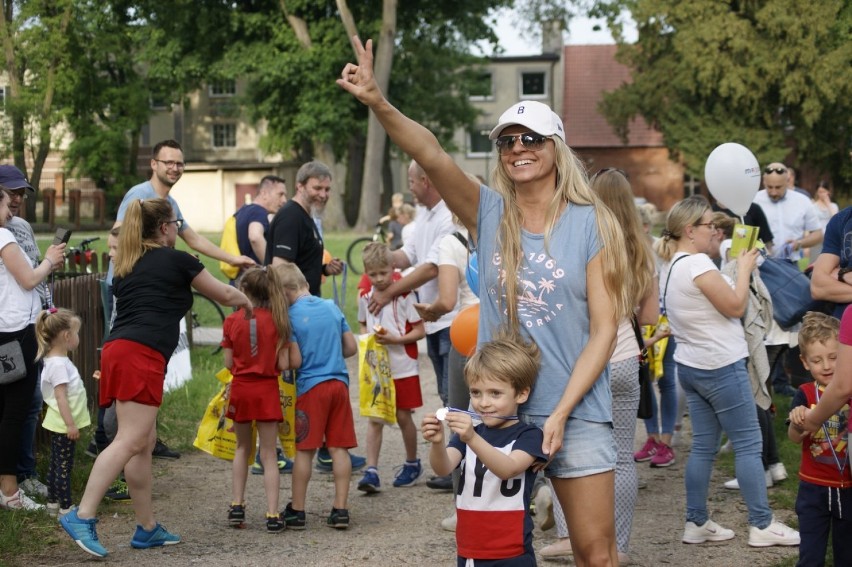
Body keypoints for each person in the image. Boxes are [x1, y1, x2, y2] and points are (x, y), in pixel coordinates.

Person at [340, 38, 631, 565]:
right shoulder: (489, 213)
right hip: (496, 411)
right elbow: (430, 153)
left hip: (577, 410)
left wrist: (561, 413)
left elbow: (605, 330)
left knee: (596, 552)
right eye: (507, 140)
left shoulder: (593, 224)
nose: (518, 147)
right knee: (494, 550)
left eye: (531, 138)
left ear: (556, 147)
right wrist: (380, 103)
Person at [59, 198, 252, 558]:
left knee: (142, 442)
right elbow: (225, 294)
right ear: (165, 228)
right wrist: (251, 301)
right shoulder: (177, 260)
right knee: (131, 440)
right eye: (177, 223)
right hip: (140, 354)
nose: (179, 229)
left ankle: (146, 528)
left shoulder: (127, 265)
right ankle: (82, 515)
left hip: (121, 350)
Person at [656, 195, 799, 548]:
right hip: (720, 366)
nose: (715, 231)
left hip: (693, 365)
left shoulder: (671, 265)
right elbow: (735, 306)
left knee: (703, 446)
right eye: (709, 225)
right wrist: (744, 266)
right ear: (690, 230)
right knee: (750, 444)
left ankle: (696, 522)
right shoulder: (697, 265)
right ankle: (762, 524)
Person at [111, 140, 254, 459]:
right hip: (134, 294)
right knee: (134, 362)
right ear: (153, 164)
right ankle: (112, 439)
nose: (174, 168)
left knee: (150, 364)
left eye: (179, 163)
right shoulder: (139, 196)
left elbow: (194, 237)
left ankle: (145, 437)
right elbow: (116, 236)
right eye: (168, 162)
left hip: (156, 292)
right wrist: (159, 262)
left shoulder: (170, 202)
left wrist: (233, 256)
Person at [264, 160, 362, 473]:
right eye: (317, 188)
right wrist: (284, 321)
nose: (323, 194)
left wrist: (321, 269)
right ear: (301, 186)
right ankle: (274, 450)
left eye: (327, 189)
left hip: (305, 308)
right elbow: (279, 268)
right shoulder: (291, 216)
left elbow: (299, 264)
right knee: (294, 384)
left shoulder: (307, 217)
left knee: (308, 385)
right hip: (294, 315)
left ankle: (320, 447)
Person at [421, 336, 547, 566]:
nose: (483, 403)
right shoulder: (469, 434)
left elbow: (508, 469)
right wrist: (437, 443)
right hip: (470, 547)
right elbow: (443, 468)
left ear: (521, 394)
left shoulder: (529, 435)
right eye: (476, 393)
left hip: (511, 551)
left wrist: (472, 438)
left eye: (495, 393)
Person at [273, 262, 357, 530]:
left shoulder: (289, 318)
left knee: (305, 452)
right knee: (338, 448)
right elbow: (351, 347)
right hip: (339, 385)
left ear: (284, 293)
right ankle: (341, 509)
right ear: (305, 284)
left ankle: (297, 511)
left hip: (311, 389)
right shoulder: (332, 307)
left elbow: (293, 361)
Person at [222, 267, 300, 533]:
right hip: (267, 391)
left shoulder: (232, 321)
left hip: (242, 390)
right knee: (268, 454)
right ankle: (272, 514)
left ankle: (236, 505)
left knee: (242, 449)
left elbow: (228, 363)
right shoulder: (279, 321)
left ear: (244, 291)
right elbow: (284, 364)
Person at [0, 189, 64, 511]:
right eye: (4, 202)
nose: (10, 211)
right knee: (14, 413)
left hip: (6, 332)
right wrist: (50, 260)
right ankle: (10, 491)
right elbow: (28, 280)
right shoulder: (1, 238)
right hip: (16, 334)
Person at [356, 242, 426, 492]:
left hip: (403, 366)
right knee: (375, 418)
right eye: (372, 274)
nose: (379, 279)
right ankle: (371, 470)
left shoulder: (406, 295)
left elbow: (419, 330)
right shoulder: (364, 295)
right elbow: (363, 323)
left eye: (383, 273)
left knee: (403, 416)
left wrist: (396, 340)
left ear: (392, 268)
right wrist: (368, 344)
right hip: (377, 368)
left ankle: (412, 462)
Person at [787, 312, 852, 567]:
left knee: (847, 555)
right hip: (813, 489)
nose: (826, 366)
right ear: (804, 362)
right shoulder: (804, 393)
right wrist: (797, 422)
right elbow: (793, 438)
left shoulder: (848, 388)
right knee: (811, 555)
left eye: (834, 357)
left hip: (848, 487)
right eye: (817, 360)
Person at [753, 162, 822, 397]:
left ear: (788, 181)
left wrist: (798, 243)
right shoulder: (754, 201)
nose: (773, 192)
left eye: (778, 188)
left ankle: (793, 376)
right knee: (768, 328)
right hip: (762, 269)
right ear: (763, 183)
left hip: (789, 268)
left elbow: (817, 234)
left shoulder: (801, 201)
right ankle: (773, 380)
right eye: (770, 187)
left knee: (793, 323)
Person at [35, 308, 90, 517]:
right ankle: (66, 509)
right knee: (63, 468)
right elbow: (60, 397)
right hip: (63, 424)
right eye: (76, 333)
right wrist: (70, 425)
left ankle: (52, 504)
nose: (78, 337)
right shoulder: (58, 365)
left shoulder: (56, 361)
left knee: (56, 464)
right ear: (67, 336)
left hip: (60, 422)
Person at [235, 175, 287, 268]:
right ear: (264, 194)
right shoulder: (259, 212)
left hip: (241, 277)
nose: (284, 200)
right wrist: (272, 269)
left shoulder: (243, 210)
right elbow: (255, 237)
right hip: (255, 279)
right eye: (280, 194)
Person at [809, 180, 838, 259]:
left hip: (830, 239)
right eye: (820, 192)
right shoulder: (813, 206)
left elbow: (836, 220)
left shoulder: (833, 206)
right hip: (817, 239)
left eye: (824, 191)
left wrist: (828, 204)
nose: (822, 194)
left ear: (828, 192)